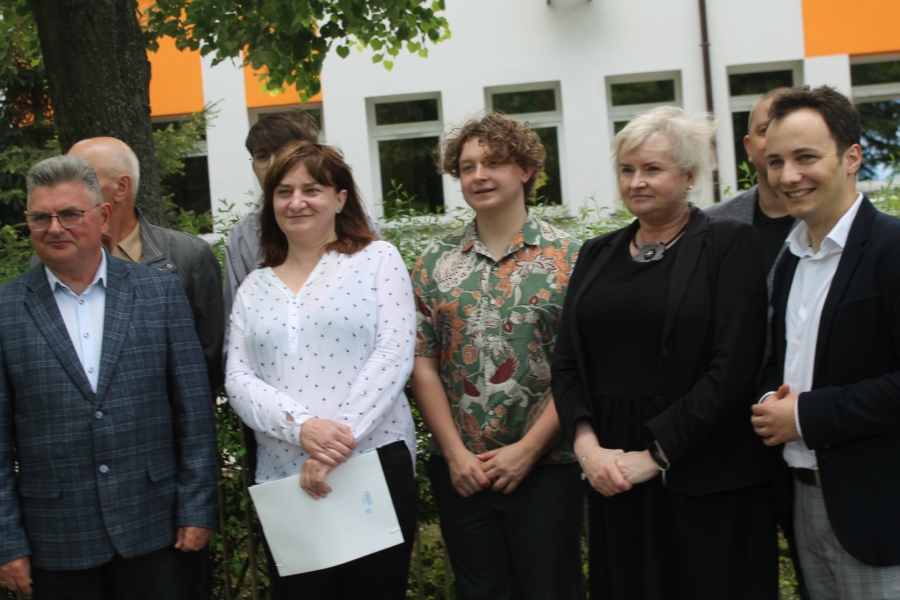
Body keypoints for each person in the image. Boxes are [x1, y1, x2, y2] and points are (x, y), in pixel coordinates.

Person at [552, 106, 779, 600]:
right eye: (626, 169)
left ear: (689, 175)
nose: (636, 182)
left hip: (705, 475)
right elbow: (567, 361)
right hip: (614, 476)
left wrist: (658, 455)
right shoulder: (596, 253)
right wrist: (589, 450)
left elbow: (735, 364)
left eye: (652, 168)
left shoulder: (729, 243)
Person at [0, 155, 218, 598]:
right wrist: (7, 540)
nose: (55, 228)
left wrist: (197, 508)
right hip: (57, 541)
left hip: (157, 529)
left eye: (69, 214)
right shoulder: (6, 310)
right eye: (41, 217)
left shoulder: (159, 293)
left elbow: (194, 415)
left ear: (102, 216)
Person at [225, 142, 417, 599]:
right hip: (285, 478)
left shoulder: (378, 260)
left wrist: (332, 446)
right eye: (284, 191)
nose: (297, 202)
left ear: (340, 198)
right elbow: (238, 379)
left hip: (371, 465)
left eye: (311, 189)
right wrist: (302, 427)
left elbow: (393, 354)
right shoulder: (254, 287)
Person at [410, 113, 585, 600]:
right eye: (467, 167)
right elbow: (423, 363)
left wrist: (527, 451)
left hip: (548, 468)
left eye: (494, 163)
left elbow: (580, 368)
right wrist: (454, 455)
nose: (479, 175)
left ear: (526, 169)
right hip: (463, 473)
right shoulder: (434, 262)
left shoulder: (571, 258)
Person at [752, 86, 900, 600]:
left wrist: (806, 415)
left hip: (878, 513)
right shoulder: (790, 260)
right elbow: (784, 363)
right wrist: (770, 400)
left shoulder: (893, 247)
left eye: (805, 158)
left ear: (852, 157)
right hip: (802, 502)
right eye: (776, 161)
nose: (788, 176)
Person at [67, 136, 225, 396]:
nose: (67, 189)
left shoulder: (189, 256)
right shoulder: (54, 259)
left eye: (83, 178)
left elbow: (210, 360)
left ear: (121, 186)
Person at [223, 108, 320, 320]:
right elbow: (235, 322)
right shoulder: (244, 236)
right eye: (262, 156)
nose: (273, 164)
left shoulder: (357, 227)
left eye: (285, 152)